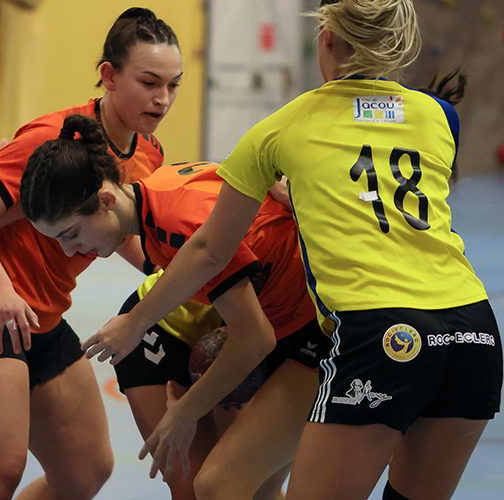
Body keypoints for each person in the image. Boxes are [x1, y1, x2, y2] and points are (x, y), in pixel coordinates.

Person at [84, 1, 503, 499]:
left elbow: (208, 252)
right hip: (475, 333)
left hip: (381, 332)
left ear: (325, 39)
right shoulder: (440, 115)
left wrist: (134, 322)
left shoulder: (281, 129)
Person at [0, 8, 183, 499]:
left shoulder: (149, 155)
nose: (162, 99)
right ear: (109, 75)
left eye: (173, 85)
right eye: (149, 82)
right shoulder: (53, 140)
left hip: (42, 314)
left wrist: (191, 276)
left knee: (86, 469)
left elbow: (123, 232)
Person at [20, 114, 331, 500]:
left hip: (319, 333)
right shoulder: (159, 190)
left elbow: (254, 338)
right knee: (257, 491)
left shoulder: (174, 225)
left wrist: (185, 414)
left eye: (70, 234)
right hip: (293, 324)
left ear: (105, 200)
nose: (69, 250)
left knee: (216, 486)